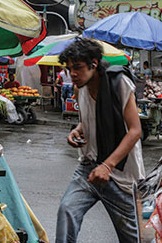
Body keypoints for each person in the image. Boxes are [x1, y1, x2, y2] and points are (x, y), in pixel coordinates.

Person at [55, 38, 144, 243]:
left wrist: (108, 165)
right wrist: (76, 130)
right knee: (67, 211)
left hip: (121, 174)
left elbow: (134, 131)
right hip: (89, 168)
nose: (73, 75)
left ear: (94, 64)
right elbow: (88, 119)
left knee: (134, 238)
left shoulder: (119, 83)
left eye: (77, 68)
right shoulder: (79, 88)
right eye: (69, 69)